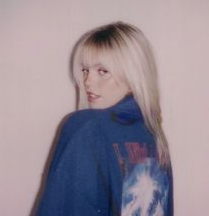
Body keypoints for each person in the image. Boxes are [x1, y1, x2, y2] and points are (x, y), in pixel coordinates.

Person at [36, 21, 173, 216]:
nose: (87, 82)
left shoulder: (86, 127)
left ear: (133, 75)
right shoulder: (153, 133)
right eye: (85, 70)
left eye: (103, 71)